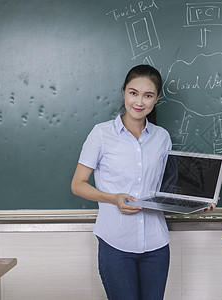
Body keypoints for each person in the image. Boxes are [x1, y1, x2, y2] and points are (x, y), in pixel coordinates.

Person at [71, 65, 172, 300]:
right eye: (133, 93)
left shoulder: (162, 137)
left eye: (148, 95)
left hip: (156, 245)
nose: (139, 101)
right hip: (115, 243)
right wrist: (112, 198)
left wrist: (198, 202)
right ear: (123, 93)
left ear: (157, 98)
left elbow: (168, 188)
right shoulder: (101, 134)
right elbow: (78, 184)